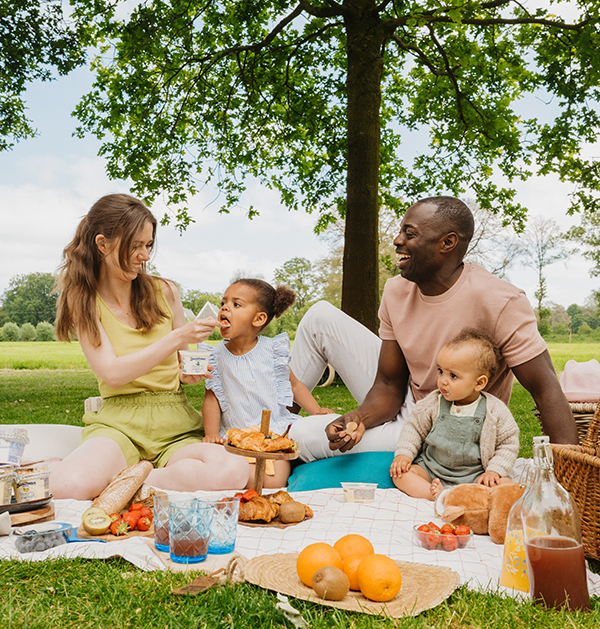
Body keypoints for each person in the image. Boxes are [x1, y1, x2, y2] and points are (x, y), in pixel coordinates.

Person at [289, 196, 577, 461]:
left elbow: (545, 388)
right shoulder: (396, 291)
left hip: (450, 424)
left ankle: (279, 437)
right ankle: (270, 426)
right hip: (409, 401)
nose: (397, 240)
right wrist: (358, 418)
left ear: (447, 243)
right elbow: (389, 385)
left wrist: (568, 476)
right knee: (319, 317)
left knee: (299, 436)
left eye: (409, 234)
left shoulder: (500, 301)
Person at [50, 194, 249, 500]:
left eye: (149, 245)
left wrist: (189, 373)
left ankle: (130, 481)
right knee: (67, 486)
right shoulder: (84, 300)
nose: (144, 255)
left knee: (233, 470)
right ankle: (139, 478)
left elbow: (184, 364)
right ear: (102, 244)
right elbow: (113, 374)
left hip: (174, 421)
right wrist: (177, 337)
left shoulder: (165, 291)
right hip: (120, 423)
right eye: (135, 245)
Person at [201, 278, 335, 487]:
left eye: (236, 304)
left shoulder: (270, 351)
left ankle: (240, 478)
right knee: (217, 459)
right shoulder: (215, 355)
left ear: (258, 319)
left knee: (274, 479)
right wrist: (210, 434)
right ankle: (232, 475)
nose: (225, 308)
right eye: (223, 303)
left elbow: (295, 386)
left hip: (272, 432)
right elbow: (212, 398)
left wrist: (316, 411)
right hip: (235, 434)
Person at [390, 329, 519, 500]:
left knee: (505, 486)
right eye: (440, 371)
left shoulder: (495, 410)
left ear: (479, 383)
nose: (443, 380)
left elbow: (507, 444)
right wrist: (404, 454)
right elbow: (414, 428)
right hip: (431, 469)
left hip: (475, 475)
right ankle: (436, 494)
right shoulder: (433, 402)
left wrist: (494, 471)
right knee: (401, 475)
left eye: (453, 376)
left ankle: (464, 494)